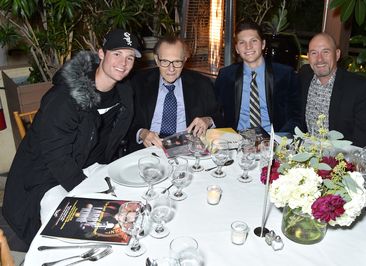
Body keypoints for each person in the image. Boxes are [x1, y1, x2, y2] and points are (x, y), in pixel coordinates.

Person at [2, 28, 140, 245]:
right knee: (69, 234)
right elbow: (57, 158)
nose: (123, 63)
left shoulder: (123, 93)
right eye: (117, 54)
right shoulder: (65, 98)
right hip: (48, 177)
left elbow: (121, 133)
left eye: (130, 57)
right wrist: (88, 192)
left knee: (134, 200)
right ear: (101, 54)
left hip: (90, 163)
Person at [128, 36, 222, 151]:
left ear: (185, 60)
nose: (171, 69)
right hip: (146, 149)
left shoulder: (202, 84)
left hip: (188, 149)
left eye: (177, 62)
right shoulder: (137, 82)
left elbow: (219, 117)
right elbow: (125, 122)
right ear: (157, 60)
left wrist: (207, 120)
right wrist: (142, 133)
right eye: (165, 61)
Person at [214, 21, 300, 134]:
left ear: (263, 44)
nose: (248, 47)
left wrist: (279, 141)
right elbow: (215, 111)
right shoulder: (226, 76)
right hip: (237, 141)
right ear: (237, 49)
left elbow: (296, 115)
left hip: (274, 140)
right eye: (242, 42)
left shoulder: (284, 74)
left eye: (254, 41)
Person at [299, 32, 366, 147]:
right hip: (306, 154)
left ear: (337, 54)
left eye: (325, 52)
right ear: (308, 56)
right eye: (314, 53)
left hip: (340, 158)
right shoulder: (304, 76)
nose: (319, 59)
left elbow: (365, 138)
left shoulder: (359, 88)